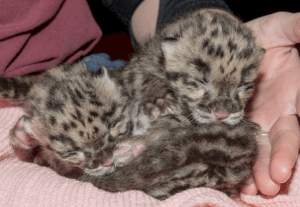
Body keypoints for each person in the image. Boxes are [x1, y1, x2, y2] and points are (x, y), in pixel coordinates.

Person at [1, 0, 300, 197]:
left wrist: (208, 28)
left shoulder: (125, 93)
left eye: (240, 88)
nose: (222, 111)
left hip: (94, 74)